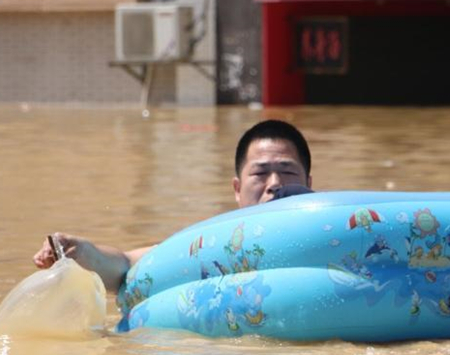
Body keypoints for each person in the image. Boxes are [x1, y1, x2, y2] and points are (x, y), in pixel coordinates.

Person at [33, 119, 312, 293]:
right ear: (237, 189)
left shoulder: (335, 230)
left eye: (287, 172)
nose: (274, 183)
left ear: (309, 182)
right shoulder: (218, 243)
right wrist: (81, 251)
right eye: (260, 173)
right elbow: (128, 265)